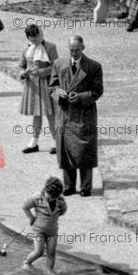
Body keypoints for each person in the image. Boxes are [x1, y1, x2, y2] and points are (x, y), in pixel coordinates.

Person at [49, 36, 103, 197]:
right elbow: (52, 87)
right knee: (66, 150)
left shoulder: (93, 66)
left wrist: (80, 97)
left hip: (83, 114)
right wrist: (60, 94)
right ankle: (69, 186)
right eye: (71, 50)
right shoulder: (59, 64)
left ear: (83, 48)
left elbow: (97, 91)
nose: (74, 53)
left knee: (84, 149)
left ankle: (86, 187)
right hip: (65, 114)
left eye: (77, 50)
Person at [18, 24, 58, 154]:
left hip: (47, 84)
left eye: (36, 37)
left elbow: (56, 67)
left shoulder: (50, 47)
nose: (34, 40)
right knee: (36, 114)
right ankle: (34, 142)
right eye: (31, 38)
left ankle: (56, 142)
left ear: (40, 35)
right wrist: (24, 73)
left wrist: (40, 72)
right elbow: (21, 66)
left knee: (51, 114)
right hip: (33, 87)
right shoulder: (26, 50)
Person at [22, 176, 67, 275]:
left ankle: (49, 270)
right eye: (49, 196)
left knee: (51, 252)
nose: (51, 199)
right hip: (38, 230)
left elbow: (63, 210)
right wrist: (31, 218)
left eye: (53, 197)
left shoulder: (60, 200)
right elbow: (25, 207)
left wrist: (54, 216)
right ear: (45, 190)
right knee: (39, 251)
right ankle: (27, 262)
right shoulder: (37, 197)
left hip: (52, 231)